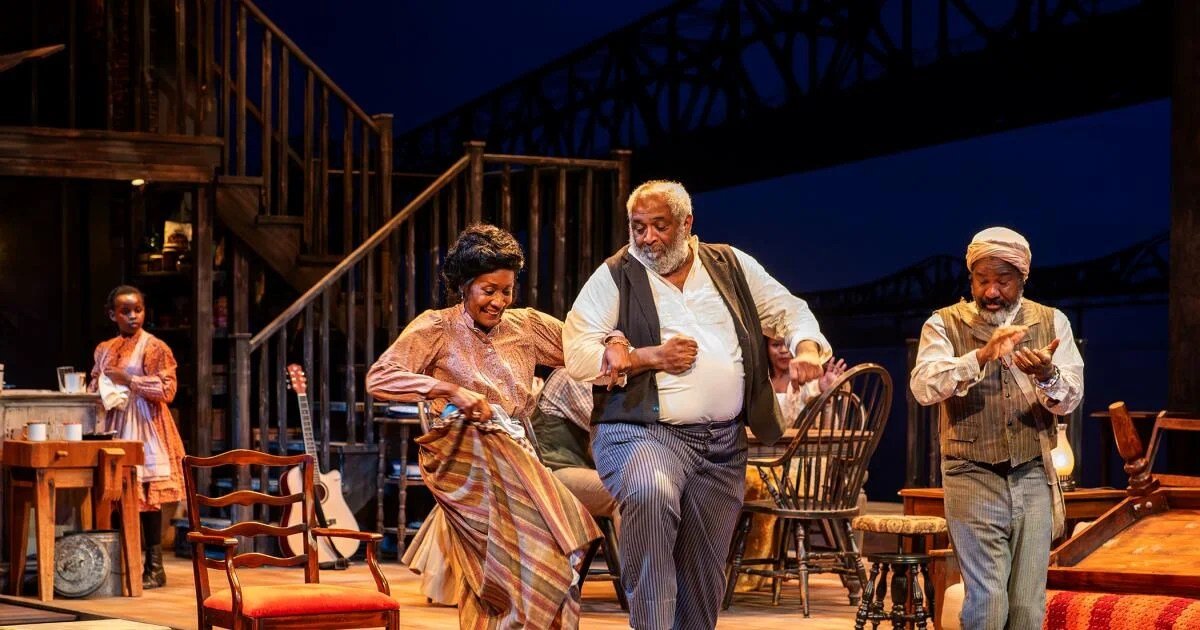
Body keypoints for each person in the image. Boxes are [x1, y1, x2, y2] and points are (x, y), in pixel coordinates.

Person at [563, 180, 831, 630]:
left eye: (659, 227)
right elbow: (577, 351)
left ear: (687, 224)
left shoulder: (729, 264)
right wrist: (642, 357)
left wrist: (805, 348)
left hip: (722, 443)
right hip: (640, 432)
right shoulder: (616, 274)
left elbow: (789, 311)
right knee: (650, 492)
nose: (647, 238)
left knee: (702, 573)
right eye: (638, 227)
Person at [365, 224, 600, 629]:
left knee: (548, 552)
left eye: (506, 290)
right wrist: (448, 390)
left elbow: (583, 352)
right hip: (466, 460)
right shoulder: (437, 327)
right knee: (509, 559)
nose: (499, 301)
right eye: (488, 290)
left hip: (515, 454)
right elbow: (379, 378)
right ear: (464, 285)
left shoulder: (526, 326)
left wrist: (622, 347)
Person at [910, 227, 1084, 630]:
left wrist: (1047, 375)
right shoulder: (943, 324)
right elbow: (923, 387)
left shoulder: (1052, 321)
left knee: (1026, 607)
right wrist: (980, 356)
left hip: (1033, 473)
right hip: (970, 472)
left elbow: (1071, 398)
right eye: (981, 280)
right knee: (987, 602)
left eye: (1003, 281)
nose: (991, 291)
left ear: (1022, 279)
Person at [88, 285, 187, 589]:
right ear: (112, 315)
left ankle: (154, 567)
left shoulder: (154, 347)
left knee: (147, 495)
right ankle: (119, 565)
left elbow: (167, 390)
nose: (133, 316)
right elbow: (94, 383)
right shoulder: (105, 349)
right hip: (115, 422)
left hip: (145, 423)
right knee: (115, 495)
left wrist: (130, 380)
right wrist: (99, 391)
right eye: (125, 311)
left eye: (138, 310)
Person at [531, 368, 618, 524]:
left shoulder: (588, 378)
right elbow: (613, 432)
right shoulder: (571, 378)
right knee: (625, 491)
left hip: (577, 467)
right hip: (553, 473)